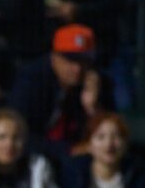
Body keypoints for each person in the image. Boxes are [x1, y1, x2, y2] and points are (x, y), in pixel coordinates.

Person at [9, 23, 114, 162]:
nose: (77, 69)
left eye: (83, 61)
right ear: (54, 57)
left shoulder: (97, 83)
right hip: (32, 158)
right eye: (70, 60)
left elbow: (112, 134)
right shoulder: (32, 79)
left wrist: (92, 108)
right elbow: (19, 132)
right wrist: (68, 150)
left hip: (79, 160)